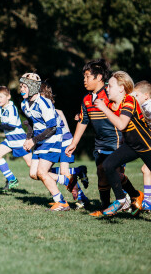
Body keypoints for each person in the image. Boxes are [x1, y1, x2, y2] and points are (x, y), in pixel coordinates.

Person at [65, 60, 140, 216]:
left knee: (114, 173)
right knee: (101, 173)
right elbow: (83, 121)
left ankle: (134, 196)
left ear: (99, 77)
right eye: (84, 77)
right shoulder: (86, 99)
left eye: (87, 76)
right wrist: (74, 143)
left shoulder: (111, 92)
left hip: (117, 140)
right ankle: (105, 207)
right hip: (100, 143)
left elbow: (126, 106)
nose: (84, 80)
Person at [94, 71, 149, 216]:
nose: (107, 88)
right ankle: (120, 199)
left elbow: (121, 124)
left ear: (121, 88)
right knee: (108, 165)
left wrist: (103, 108)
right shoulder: (113, 105)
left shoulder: (129, 100)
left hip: (146, 145)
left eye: (110, 86)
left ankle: (136, 197)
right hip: (131, 146)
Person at [18, 73, 67, 211]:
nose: (21, 89)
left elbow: (52, 128)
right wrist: (28, 138)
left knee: (42, 172)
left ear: (33, 87)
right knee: (34, 174)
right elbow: (31, 123)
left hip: (52, 139)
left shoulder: (44, 103)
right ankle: (67, 180)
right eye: (21, 86)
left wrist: (33, 140)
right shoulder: (24, 104)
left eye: (25, 86)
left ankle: (61, 202)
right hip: (40, 140)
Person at [39, 82, 90, 208]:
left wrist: (69, 142)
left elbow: (63, 128)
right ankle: (78, 171)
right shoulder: (54, 110)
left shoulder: (49, 110)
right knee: (48, 171)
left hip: (63, 141)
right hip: (62, 140)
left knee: (63, 172)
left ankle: (82, 197)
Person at [0, 86, 32, 192]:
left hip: (19, 140)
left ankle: (55, 175)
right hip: (10, 140)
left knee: (32, 166)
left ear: (8, 97)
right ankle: (12, 179)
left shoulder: (11, 108)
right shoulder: (1, 109)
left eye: (1, 97)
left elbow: (11, 126)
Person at [132, 80, 151, 210]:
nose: (134, 98)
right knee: (146, 169)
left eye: (136, 96)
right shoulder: (144, 107)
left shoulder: (149, 107)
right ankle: (148, 201)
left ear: (146, 96)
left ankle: (148, 201)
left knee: (146, 169)